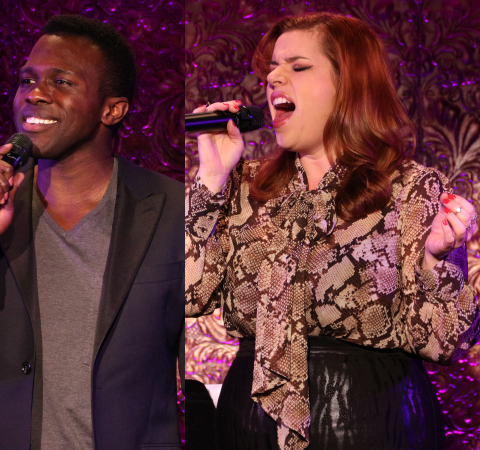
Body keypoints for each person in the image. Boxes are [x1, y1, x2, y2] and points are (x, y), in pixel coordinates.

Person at [185, 12, 479, 450]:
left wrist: (436, 262)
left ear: (349, 85)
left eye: (298, 67)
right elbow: (185, 295)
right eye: (272, 68)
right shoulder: (244, 186)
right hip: (248, 424)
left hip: (370, 420)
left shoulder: (411, 189)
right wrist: (210, 179)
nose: (273, 78)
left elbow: (446, 342)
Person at [0, 14, 183, 450]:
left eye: (61, 82)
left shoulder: (173, 211)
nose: (34, 93)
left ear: (112, 109)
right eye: (27, 80)